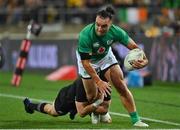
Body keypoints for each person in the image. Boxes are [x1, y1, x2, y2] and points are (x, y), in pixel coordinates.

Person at [76, 5, 149, 127]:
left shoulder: (117, 32)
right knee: (91, 96)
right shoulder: (85, 35)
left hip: (105, 57)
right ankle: (95, 111)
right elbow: (86, 63)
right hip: (87, 61)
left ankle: (136, 120)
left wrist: (145, 61)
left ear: (110, 25)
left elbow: (136, 49)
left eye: (104, 26)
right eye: (97, 24)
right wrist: (99, 81)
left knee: (121, 86)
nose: (99, 28)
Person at [23, 77, 112, 124]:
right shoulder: (82, 84)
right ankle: (29, 105)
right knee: (53, 111)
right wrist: (98, 102)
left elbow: (105, 108)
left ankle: (74, 110)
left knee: (107, 120)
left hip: (81, 101)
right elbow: (82, 113)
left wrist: (98, 108)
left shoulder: (104, 83)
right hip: (67, 99)